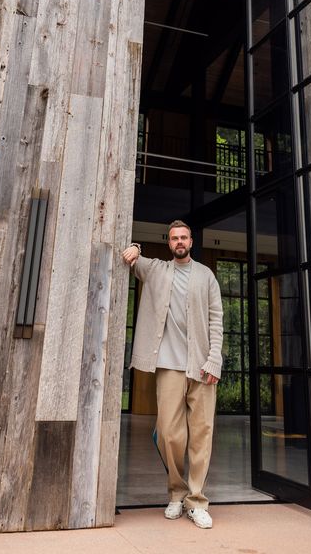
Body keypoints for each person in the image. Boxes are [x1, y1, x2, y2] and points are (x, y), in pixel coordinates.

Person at [122, 220, 223, 529]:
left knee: (201, 434)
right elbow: (132, 259)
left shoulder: (206, 276)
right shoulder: (156, 270)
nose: (180, 242)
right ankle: (176, 492)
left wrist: (214, 360)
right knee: (168, 433)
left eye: (184, 237)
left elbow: (216, 320)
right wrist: (136, 247)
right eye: (175, 238)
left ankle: (196, 500)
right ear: (169, 243)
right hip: (168, 366)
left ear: (191, 241)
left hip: (202, 367)